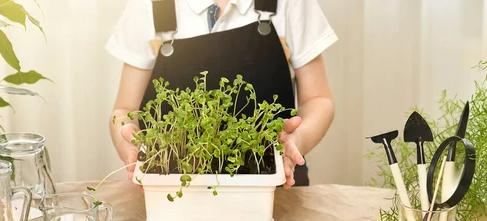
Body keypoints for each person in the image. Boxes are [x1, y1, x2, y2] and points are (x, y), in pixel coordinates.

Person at [106, 0, 337, 188]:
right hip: (173, 192)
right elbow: (126, 109)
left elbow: (318, 100)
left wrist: (298, 139)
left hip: (275, 187)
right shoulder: (151, 4)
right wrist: (130, 143)